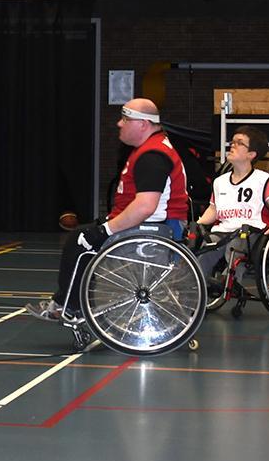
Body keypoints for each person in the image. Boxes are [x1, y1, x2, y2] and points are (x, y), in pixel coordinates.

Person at [27, 98, 190, 322]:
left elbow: (145, 206)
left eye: (125, 119)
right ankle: (73, 304)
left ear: (143, 124)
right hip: (153, 225)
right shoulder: (153, 148)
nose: (119, 124)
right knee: (83, 237)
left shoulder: (153, 155)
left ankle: (69, 307)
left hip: (154, 229)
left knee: (80, 242)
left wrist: (106, 230)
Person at [193, 125, 269, 288]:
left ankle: (229, 280)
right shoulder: (220, 181)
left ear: (251, 154)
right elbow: (213, 210)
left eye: (239, 143)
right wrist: (198, 224)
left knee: (236, 244)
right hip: (223, 231)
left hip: (251, 232)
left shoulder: (264, 180)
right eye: (232, 142)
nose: (232, 145)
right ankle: (196, 284)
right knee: (207, 246)